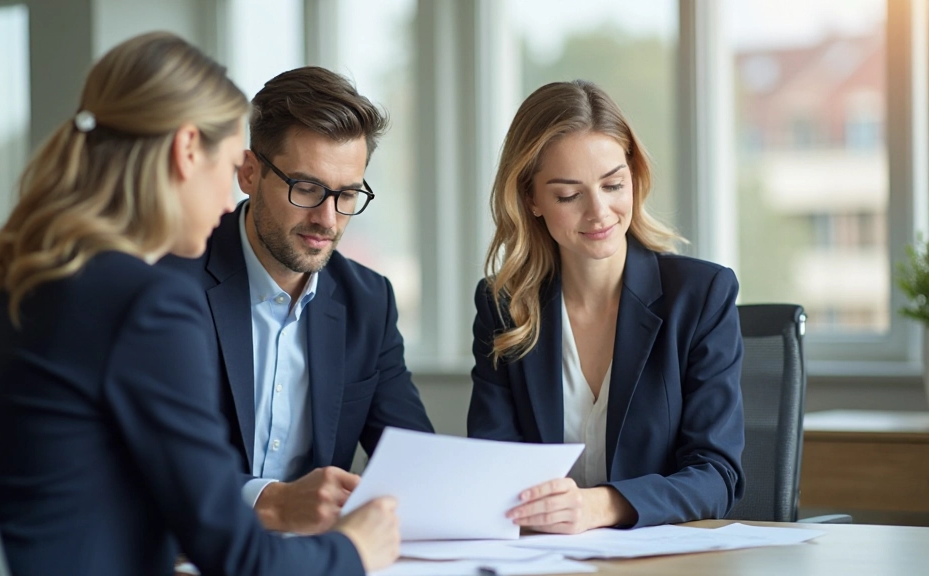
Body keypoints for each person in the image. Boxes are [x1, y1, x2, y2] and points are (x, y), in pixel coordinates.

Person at [0, 32, 398, 576]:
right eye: (229, 165)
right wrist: (356, 549)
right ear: (188, 151)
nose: (229, 196)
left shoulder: (1, 290)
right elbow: (239, 556)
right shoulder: (145, 304)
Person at [160, 66, 434, 535]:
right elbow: (155, 458)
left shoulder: (369, 301)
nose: (327, 219)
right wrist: (271, 501)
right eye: (306, 188)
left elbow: (418, 461)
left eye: (347, 194)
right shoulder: (169, 283)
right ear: (249, 173)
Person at [468, 80, 745, 533]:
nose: (599, 212)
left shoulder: (701, 295)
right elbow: (493, 464)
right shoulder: (504, 305)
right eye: (569, 195)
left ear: (634, 177)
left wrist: (603, 506)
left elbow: (718, 476)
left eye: (613, 184)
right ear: (531, 199)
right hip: (543, 560)